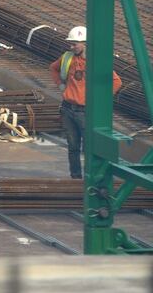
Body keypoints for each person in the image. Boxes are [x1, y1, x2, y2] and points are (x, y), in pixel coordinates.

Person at [49, 26, 122, 179]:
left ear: (85, 43)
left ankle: (90, 178)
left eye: (74, 44)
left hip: (84, 112)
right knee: (73, 146)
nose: (71, 47)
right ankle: (76, 177)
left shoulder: (95, 61)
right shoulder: (67, 57)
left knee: (89, 147)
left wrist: (100, 100)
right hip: (68, 109)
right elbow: (53, 68)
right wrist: (61, 85)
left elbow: (116, 81)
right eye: (71, 43)